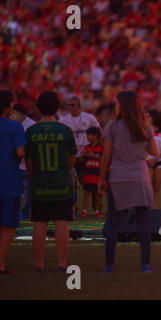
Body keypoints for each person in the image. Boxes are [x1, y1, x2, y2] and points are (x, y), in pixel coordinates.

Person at [98, 91, 158, 273]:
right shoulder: (144, 126)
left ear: (122, 106)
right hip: (140, 178)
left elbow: (106, 155)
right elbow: (154, 151)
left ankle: (109, 265)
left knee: (113, 222)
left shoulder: (112, 126)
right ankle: (146, 264)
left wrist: (101, 178)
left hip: (118, 178)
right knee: (143, 223)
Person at [26, 91, 77, 272]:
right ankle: (62, 264)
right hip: (62, 183)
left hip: (40, 182)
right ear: (57, 107)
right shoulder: (65, 131)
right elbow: (72, 160)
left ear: (38, 107)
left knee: (39, 223)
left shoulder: (31, 131)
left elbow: (29, 162)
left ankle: (38, 264)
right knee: (61, 222)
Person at [0, 90, 26, 274]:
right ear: (8, 106)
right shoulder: (14, 127)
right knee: (8, 225)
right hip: (8, 181)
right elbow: (20, 153)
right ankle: (0, 263)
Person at [10, 103, 35, 220]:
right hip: (16, 165)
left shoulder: (31, 125)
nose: (12, 115)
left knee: (27, 193)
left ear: (21, 114)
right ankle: (17, 214)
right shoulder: (12, 123)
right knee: (16, 192)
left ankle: (25, 214)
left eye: (14, 113)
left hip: (26, 165)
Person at [80, 126, 103, 218]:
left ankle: (97, 211)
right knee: (86, 192)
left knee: (97, 193)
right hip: (88, 174)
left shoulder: (101, 148)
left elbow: (104, 159)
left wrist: (94, 156)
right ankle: (84, 210)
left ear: (95, 136)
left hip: (97, 174)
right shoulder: (86, 148)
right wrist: (82, 156)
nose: (87, 137)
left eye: (89, 135)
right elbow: (81, 161)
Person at [147, 109, 161, 208]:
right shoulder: (145, 130)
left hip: (159, 161)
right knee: (147, 186)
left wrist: (155, 158)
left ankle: (154, 207)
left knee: (157, 187)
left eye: (149, 117)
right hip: (148, 161)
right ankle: (147, 205)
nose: (147, 119)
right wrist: (148, 159)